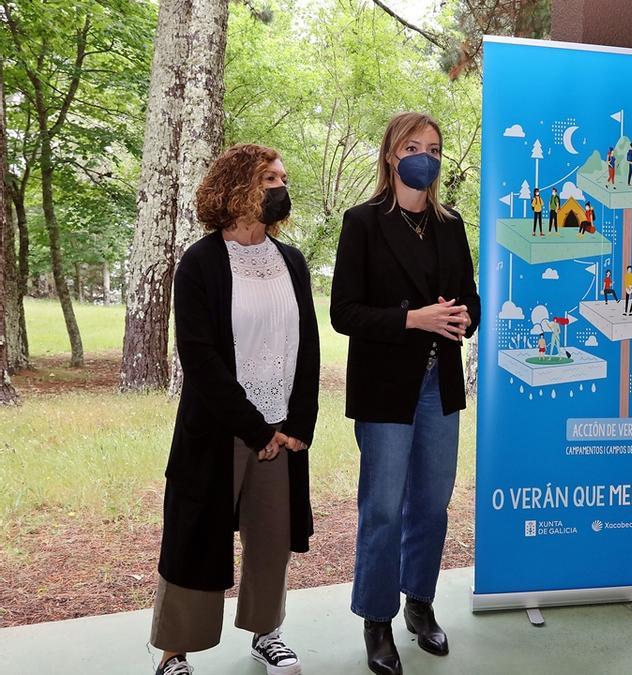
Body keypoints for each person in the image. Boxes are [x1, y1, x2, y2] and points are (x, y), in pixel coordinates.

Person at [150, 144, 320, 675]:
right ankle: (174, 652)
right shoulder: (200, 263)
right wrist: (253, 426)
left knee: (271, 539)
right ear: (237, 185)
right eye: (269, 177)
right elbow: (198, 357)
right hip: (218, 430)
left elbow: (308, 347)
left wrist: (297, 424)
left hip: (280, 434)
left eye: (283, 178)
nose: (280, 186)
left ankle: (267, 633)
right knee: (194, 536)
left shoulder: (291, 260)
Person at [330, 112, 480, 675]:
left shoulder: (451, 224)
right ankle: (377, 619)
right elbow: (343, 312)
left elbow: (471, 300)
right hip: (386, 388)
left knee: (432, 504)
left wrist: (464, 319)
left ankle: (419, 603)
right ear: (392, 154)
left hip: (439, 385)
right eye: (414, 145)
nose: (426, 155)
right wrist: (412, 319)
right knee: (384, 509)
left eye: (435, 147)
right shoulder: (362, 222)